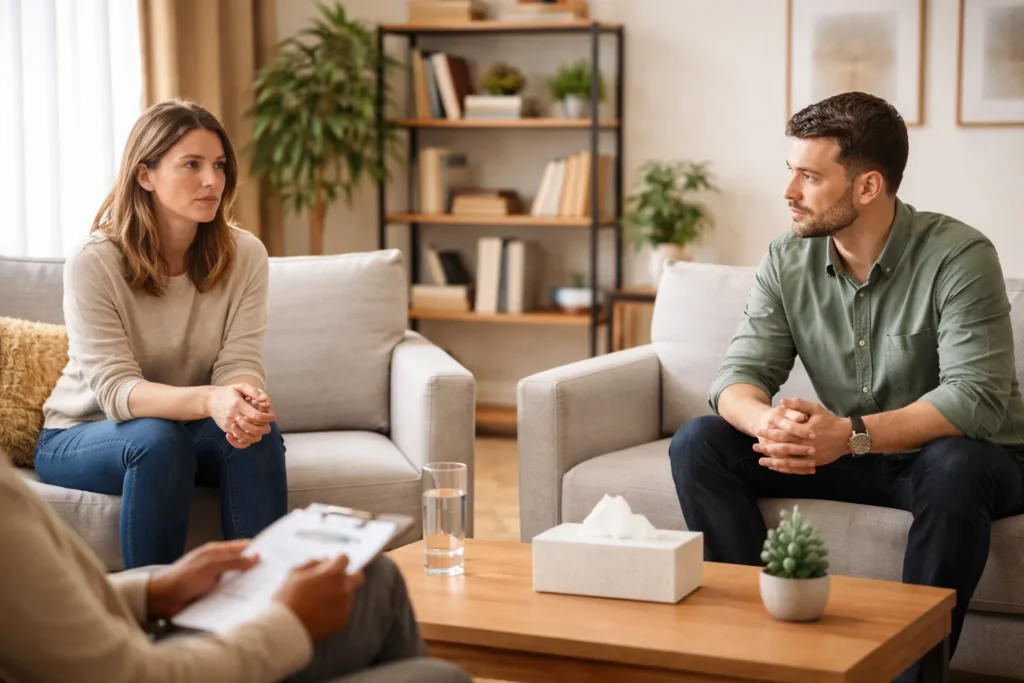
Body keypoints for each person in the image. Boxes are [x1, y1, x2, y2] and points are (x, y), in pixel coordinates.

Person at [668, 92, 1024, 682]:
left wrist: (850, 436)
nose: (789, 192)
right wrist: (770, 425)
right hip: (849, 453)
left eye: (810, 176)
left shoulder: (959, 255)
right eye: (792, 172)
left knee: (956, 463)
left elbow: (974, 398)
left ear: (867, 187)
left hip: (959, 464)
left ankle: (914, 674)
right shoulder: (787, 260)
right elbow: (737, 377)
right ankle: (758, 658)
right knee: (699, 443)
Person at [34, 99, 287, 569]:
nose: (212, 180)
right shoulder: (96, 261)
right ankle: (155, 617)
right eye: (191, 165)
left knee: (257, 435)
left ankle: (267, 605)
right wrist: (211, 400)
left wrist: (244, 398)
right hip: (83, 434)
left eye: (219, 165)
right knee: (157, 440)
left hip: (182, 428)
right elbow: (117, 391)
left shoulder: (246, 254)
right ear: (145, 175)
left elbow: (239, 360)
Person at [0, 455, 471, 683]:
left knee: (373, 575)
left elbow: (27, 614)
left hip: (110, 652)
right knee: (438, 678)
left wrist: (150, 590)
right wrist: (289, 622)